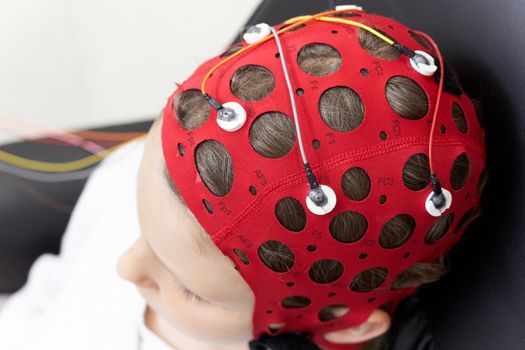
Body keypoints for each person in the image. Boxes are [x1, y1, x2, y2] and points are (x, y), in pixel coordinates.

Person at [0, 7, 487, 350]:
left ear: (341, 326)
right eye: (138, 224)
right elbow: (46, 291)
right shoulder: (127, 174)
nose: (125, 266)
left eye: (190, 290)